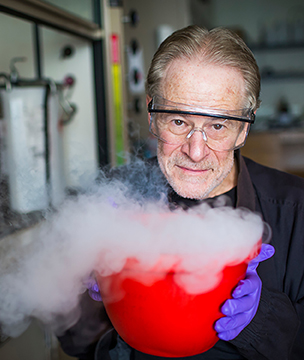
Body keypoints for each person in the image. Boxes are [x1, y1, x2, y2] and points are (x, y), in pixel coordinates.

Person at [58, 25, 304, 360]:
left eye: (218, 126)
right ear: (151, 116)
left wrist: (262, 317)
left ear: (243, 129)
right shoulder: (108, 204)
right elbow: (73, 345)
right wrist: (82, 282)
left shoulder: (296, 208)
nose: (196, 151)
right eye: (178, 121)